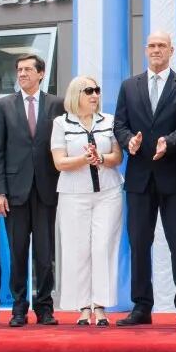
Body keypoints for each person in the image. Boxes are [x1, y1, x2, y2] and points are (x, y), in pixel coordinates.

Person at [113, 32, 176, 327]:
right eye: (151, 45)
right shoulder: (129, 86)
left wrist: (169, 142)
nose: (156, 50)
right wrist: (128, 142)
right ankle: (141, 307)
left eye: (162, 46)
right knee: (138, 243)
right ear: (145, 49)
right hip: (138, 178)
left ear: (171, 50)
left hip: (174, 177)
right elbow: (120, 124)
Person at [0, 55, 64, 327]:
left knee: (45, 255)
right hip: (14, 192)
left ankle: (45, 308)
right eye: (19, 69)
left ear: (41, 74)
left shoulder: (57, 104)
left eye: (28, 69)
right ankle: (18, 308)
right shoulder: (3, 106)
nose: (22, 74)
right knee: (18, 252)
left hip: (47, 190)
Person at [51, 76, 124, 327]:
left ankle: (101, 306)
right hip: (74, 195)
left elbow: (117, 156)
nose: (95, 95)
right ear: (76, 95)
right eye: (89, 91)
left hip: (108, 193)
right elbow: (59, 162)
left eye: (97, 91)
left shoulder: (109, 121)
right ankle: (83, 307)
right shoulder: (61, 123)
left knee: (103, 247)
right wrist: (84, 159)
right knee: (77, 249)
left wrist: (101, 158)